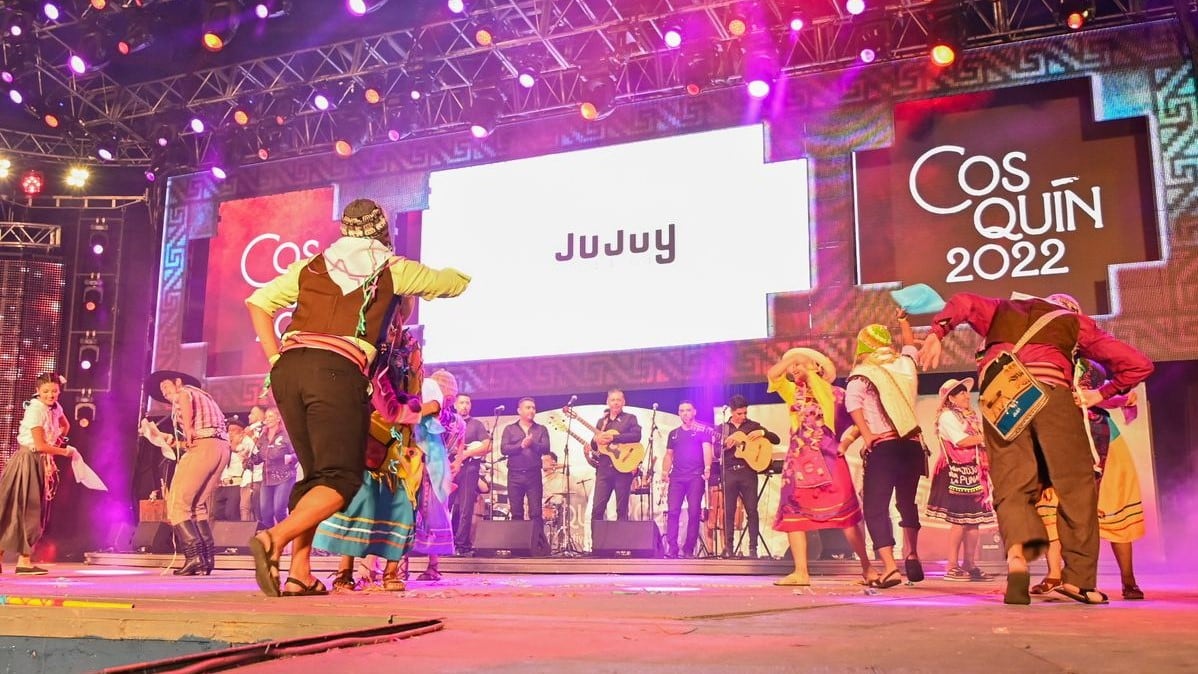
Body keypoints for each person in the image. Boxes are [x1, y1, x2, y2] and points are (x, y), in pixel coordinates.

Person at [244, 197, 469, 597]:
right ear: (383, 231)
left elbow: (258, 301)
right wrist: (455, 273)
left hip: (288, 371)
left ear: (344, 230)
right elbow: (452, 283)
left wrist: (275, 357)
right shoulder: (392, 268)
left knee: (315, 476)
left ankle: (300, 574)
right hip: (336, 373)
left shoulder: (310, 265)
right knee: (342, 480)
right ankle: (272, 540)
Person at [919, 291, 1153, 605]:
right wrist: (1101, 394)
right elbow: (1138, 364)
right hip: (1050, 392)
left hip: (1002, 399)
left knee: (1012, 485)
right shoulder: (1073, 322)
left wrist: (937, 332)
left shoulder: (1002, 308)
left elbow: (964, 301)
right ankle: (1079, 582)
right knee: (1075, 487)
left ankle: (1017, 557)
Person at [315, 320, 424, 593]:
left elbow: (414, 394)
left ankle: (390, 571)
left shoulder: (411, 350)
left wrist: (414, 411)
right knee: (356, 502)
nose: (396, 326)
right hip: (366, 429)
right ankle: (345, 571)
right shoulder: (368, 346)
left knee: (400, 505)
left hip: (399, 432)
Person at [1032, 355, 1148, 600]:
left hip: (1102, 441)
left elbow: (1092, 396)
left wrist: (1120, 398)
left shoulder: (1089, 365)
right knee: (1051, 508)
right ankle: (1054, 574)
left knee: (1114, 509)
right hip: (1064, 441)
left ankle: (1128, 579)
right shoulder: (1047, 360)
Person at [767, 349, 877, 587]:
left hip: (830, 461)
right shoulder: (793, 392)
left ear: (817, 367)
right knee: (793, 515)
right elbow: (773, 375)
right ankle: (801, 572)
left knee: (847, 518)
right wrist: (792, 359)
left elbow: (862, 421)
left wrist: (845, 443)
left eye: (800, 364)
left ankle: (868, 568)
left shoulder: (837, 395)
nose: (794, 368)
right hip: (797, 464)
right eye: (792, 366)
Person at [845, 320, 926, 588]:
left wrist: (867, 435)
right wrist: (905, 323)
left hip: (885, 446)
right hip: (914, 444)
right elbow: (910, 347)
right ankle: (911, 553)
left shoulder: (864, 372)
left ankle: (890, 567)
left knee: (876, 506)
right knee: (907, 502)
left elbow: (852, 403)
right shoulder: (905, 364)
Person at [142, 370, 231, 577]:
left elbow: (184, 400)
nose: (164, 392)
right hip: (219, 448)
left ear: (178, 382)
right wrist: (164, 438)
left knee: (177, 504)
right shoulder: (205, 399)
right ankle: (206, 559)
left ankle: (194, 557)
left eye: (166, 386)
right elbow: (198, 436)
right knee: (197, 505)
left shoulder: (186, 392)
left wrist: (188, 428)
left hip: (204, 448)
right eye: (161, 390)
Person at [0, 373, 75, 575]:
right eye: (46, 391)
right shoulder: (35, 410)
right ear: (38, 391)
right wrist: (64, 451)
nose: (50, 395)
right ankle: (17, 561)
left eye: (54, 391)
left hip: (39, 462)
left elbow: (65, 426)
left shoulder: (56, 408)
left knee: (32, 511)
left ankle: (24, 561)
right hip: (26, 461)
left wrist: (57, 443)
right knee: (17, 508)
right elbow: (40, 445)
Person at [925, 378, 996, 582]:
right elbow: (961, 441)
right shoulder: (947, 416)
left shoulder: (970, 417)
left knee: (974, 521)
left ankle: (970, 564)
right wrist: (987, 438)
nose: (966, 396)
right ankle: (952, 565)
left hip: (974, 470)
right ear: (951, 398)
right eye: (961, 393)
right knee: (959, 520)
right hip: (957, 472)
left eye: (966, 392)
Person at [406, 369, 464, 581]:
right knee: (417, 514)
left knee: (426, 515)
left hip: (430, 470)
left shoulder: (449, 420)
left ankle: (424, 565)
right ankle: (424, 565)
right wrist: (455, 464)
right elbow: (460, 449)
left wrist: (454, 464)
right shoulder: (453, 420)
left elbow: (459, 447)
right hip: (426, 469)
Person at [718, 394, 781, 558]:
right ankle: (729, 549)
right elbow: (716, 453)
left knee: (752, 510)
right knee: (729, 512)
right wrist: (724, 446)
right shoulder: (722, 429)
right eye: (739, 413)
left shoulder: (753, 426)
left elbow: (776, 439)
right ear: (732, 412)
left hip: (748, 473)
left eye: (745, 413)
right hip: (729, 472)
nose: (743, 416)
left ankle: (753, 549)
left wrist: (762, 432)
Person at [662, 401, 712, 558]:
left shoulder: (702, 431)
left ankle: (689, 549)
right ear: (678, 413)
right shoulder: (674, 433)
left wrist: (708, 468)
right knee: (673, 512)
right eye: (682, 410)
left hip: (695, 476)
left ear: (694, 412)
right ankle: (672, 548)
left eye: (688, 410)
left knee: (694, 512)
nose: (685, 413)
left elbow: (707, 449)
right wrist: (664, 471)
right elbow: (669, 454)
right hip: (676, 477)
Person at [589, 390, 642, 521]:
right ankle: (597, 541)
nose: (616, 403)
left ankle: (622, 541)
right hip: (604, 470)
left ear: (623, 402)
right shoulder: (602, 422)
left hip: (622, 470)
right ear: (608, 402)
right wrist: (595, 441)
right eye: (613, 400)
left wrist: (614, 437)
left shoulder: (630, 418)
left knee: (621, 510)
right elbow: (596, 447)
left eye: (618, 400)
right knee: (597, 509)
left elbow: (636, 436)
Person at [500, 397, 551, 533]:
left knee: (535, 512)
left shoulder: (541, 429)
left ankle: (538, 546)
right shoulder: (510, 429)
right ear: (519, 410)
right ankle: (518, 545)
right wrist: (521, 445)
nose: (532, 410)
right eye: (528, 407)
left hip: (533, 475)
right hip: (515, 475)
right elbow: (504, 449)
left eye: (533, 408)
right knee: (516, 512)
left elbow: (546, 448)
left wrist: (532, 443)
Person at [451, 393, 492, 555]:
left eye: (467, 403)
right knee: (446, 506)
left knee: (466, 508)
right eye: (461, 402)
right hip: (449, 468)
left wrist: (465, 454)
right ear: (455, 405)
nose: (465, 406)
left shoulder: (476, 425)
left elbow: (487, 446)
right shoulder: (450, 423)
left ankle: (462, 544)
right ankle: (444, 542)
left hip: (469, 469)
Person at [255, 407, 297, 529]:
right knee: (266, 513)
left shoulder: (286, 435)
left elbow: (299, 453)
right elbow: (260, 456)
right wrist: (253, 459)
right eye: (266, 417)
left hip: (284, 477)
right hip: (267, 479)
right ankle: (270, 543)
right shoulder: (263, 436)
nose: (267, 420)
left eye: (270, 416)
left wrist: (290, 458)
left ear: (279, 418)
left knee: (279, 510)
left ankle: (287, 535)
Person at [214, 416, 248, 521]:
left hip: (235, 484)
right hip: (223, 484)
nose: (230, 433)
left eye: (234, 431)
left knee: (231, 513)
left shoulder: (244, 446)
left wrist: (234, 445)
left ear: (241, 433)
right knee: (218, 513)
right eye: (229, 430)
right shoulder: (224, 446)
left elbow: (244, 456)